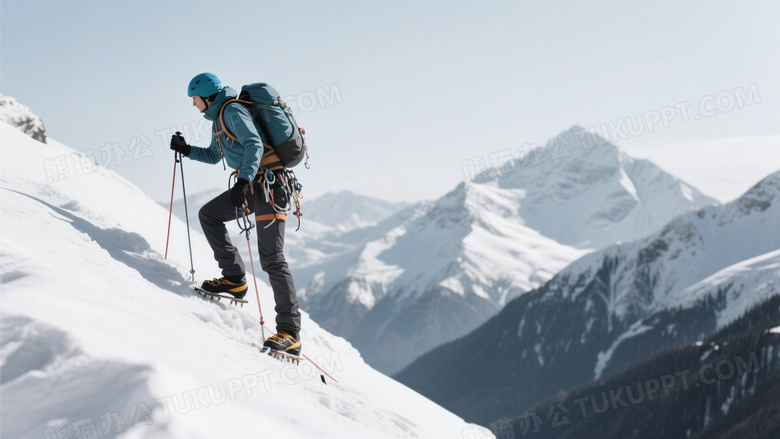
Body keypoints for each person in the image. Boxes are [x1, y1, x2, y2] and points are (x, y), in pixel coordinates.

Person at [170, 72, 301, 356]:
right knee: (209, 215)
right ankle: (234, 280)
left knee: (272, 259)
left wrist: (242, 181)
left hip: (269, 186)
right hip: (252, 186)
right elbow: (216, 155)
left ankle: (290, 333)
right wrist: (187, 149)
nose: (193, 105)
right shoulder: (219, 119)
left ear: (206, 96)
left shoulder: (232, 111)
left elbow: (254, 144)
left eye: (194, 99)